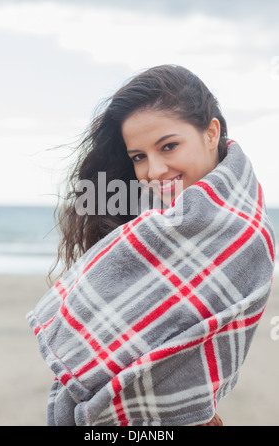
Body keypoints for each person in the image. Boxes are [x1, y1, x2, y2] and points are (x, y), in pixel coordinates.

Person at [27, 65, 275, 426]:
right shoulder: (147, 217)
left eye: (169, 146)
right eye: (139, 156)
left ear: (211, 132)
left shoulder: (243, 232)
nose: (153, 171)